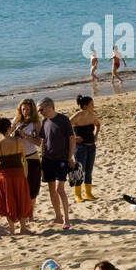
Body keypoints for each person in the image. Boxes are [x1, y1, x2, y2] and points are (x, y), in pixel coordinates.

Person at [38, 98, 76, 229]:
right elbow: (43, 140)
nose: (40, 112)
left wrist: (70, 156)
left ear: (49, 106)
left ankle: (67, 220)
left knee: (59, 189)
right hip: (47, 159)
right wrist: (41, 154)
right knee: (51, 190)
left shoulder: (63, 120)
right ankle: (58, 217)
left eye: (41, 109)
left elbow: (72, 139)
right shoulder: (44, 121)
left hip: (62, 159)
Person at [0, 117, 33, 235]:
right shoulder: (18, 141)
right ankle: (23, 228)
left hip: (4, 176)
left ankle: (12, 229)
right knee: (22, 199)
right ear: (9, 128)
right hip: (18, 173)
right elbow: (23, 157)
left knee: (8, 200)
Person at [10, 98, 43, 211]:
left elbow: (40, 143)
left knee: (33, 186)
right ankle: (22, 209)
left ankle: (30, 211)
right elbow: (7, 135)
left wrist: (25, 136)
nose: (25, 111)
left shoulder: (36, 123)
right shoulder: (16, 120)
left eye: (28, 109)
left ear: (32, 109)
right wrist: (13, 130)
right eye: (23, 109)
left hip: (32, 157)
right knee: (19, 187)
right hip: (18, 158)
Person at [70, 95, 100, 201]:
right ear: (85, 106)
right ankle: (77, 194)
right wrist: (74, 138)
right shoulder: (78, 115)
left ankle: (88, 193)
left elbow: (98, 124)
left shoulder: (92, 115)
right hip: (80, 148)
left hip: (91, 147)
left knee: (89, 171)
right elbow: (66, 127)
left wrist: (96, 136)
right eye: (91, 104)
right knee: (79, 170)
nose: (93, 106)